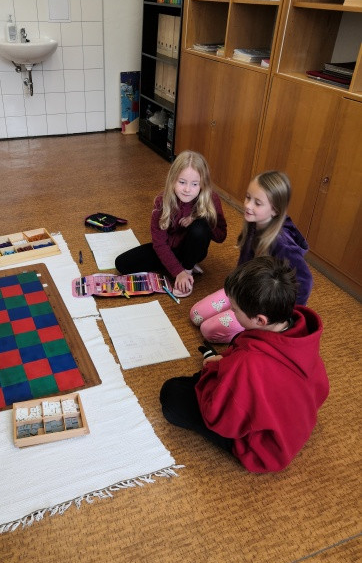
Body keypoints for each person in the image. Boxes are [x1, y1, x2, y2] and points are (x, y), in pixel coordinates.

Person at [160, 256, 329, 474]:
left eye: (235, 310)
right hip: (292, 421)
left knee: (172, 394)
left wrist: (212, 369)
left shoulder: (248, 361)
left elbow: (220, 418)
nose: (232, 312)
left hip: (264, 450)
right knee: (206, 374)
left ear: (260, 320)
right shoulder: (300, 330)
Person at [190, 170, 313, 342]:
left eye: (257, 203)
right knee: (196, 314)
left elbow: (306, 281)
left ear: (275, 210)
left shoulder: (282, 244)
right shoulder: (253, 223)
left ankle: (256, 333)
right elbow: (244, 263)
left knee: (208, 330)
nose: (248, 205)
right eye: (248, 197)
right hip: (244, 290)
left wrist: (285, 317)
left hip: (262, 305)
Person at [115, 150, 227, 298]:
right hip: (171, 248)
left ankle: (188, 270)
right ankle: (178, 266)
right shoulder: (162, 201)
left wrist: (199, 218)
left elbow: (221, 236)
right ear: (173, 179)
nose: (187, 189)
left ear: (202, 184)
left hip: (194, 249)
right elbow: (159, 244)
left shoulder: (211, 199)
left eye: (195, 184)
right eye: (182, 182)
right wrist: (177, 271)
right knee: (122, 263)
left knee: (199, 228)